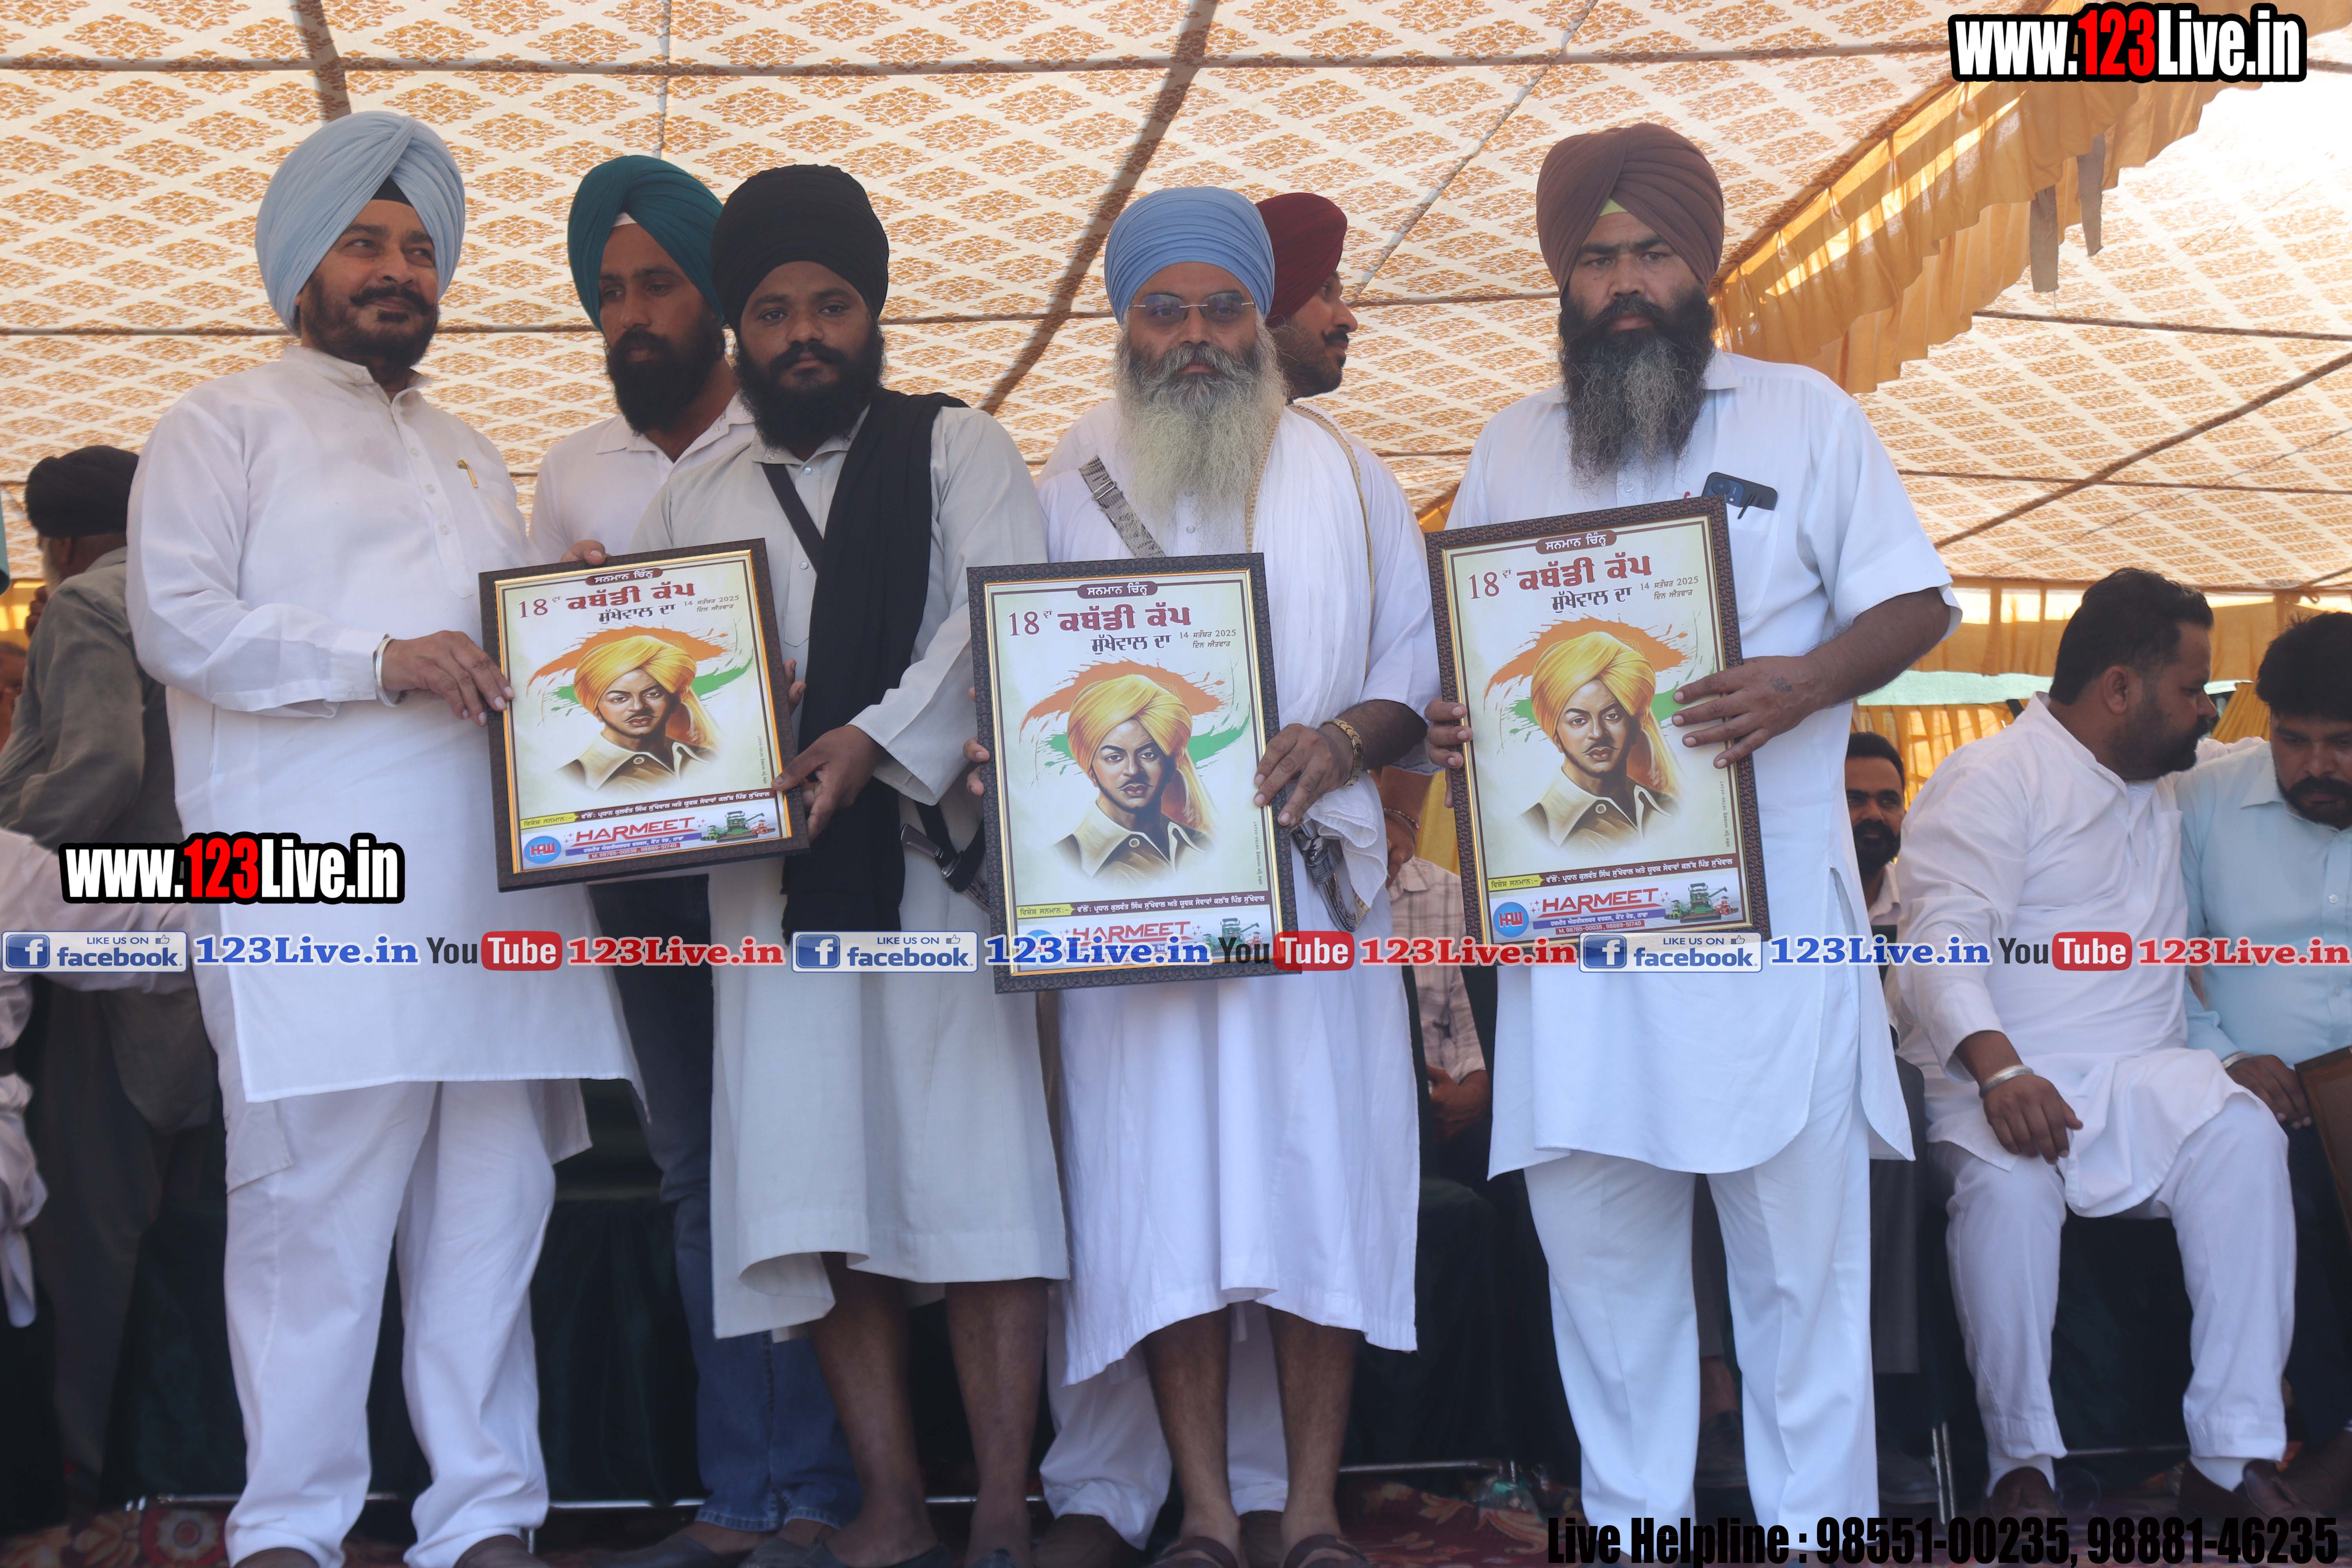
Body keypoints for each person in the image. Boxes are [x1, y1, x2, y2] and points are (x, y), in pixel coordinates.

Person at [1423, 122, 1958, 1528]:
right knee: (1604, 1285)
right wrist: (1457, 719)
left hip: (1764, 938)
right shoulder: (1511, 444)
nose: (1623, 283)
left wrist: (1808, 680)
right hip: (1580, 945)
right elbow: (1472, 653)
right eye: (1595, 258)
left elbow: (1914, 600)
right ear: (1562, 278)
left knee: (1799, 1286)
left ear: (1700, 267)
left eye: (1651, 252)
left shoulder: (1802, 416)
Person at [126, 111, 636, 1568]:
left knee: (490, 1212)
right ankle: (289, 1523)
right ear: (302, 265)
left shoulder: (472, 453)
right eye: (365, 243)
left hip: (491, 899)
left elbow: (508, 665)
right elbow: (178, 622)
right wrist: (375, 658)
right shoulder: (220, 422)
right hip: (317, 896)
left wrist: (573, 605)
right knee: (312, 1221)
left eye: (417, 248)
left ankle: (485, 1515)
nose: (397, 270)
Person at [977, 183, 1436, 1568]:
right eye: (1164, 311)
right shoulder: (1068, 476)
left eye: (1222, 308)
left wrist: (1341, 738)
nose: (1194, 337)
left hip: (1307, 900)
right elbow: (1021, 675)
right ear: (1124, 327)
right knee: (1157, 1194)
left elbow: (1417, 668)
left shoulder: (1350, 475)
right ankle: (1209, 1515)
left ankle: (1310, 1511)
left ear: (1259, 319)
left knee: (1316, 1187)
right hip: (1138, 912)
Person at [629, 163, 1063, 1568]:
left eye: (830, 305)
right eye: (772, 312)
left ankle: (999, 1505)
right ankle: (888, 1498)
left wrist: (869, 739)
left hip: (931, 871)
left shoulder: (958, 448)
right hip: (773, 893)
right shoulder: (693, 494)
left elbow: (997, 617)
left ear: (871, 312)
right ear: (737, 329)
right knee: (823, 1190)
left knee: (979, 1184)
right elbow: (657, 671)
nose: (803, 333)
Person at [532, 155, 856, 1568]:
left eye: (658, 282)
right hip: (639, 865)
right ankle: (741, 1490)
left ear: (714, 296)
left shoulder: (807, 431)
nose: (633, 315)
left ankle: (827, 1486)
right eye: (609, 292)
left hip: (788, 858)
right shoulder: (569, 471)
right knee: (690, 1169)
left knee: (808, 1147)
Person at [1895, 568, 2299, 1520]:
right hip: (1994, 1078)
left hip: (2139, 1077)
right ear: (2121, 688)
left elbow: (2276, 754)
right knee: (2011, 1189)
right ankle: (2021, 1465)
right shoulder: (1992, 778)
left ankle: (2230, 1457)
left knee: (2243, 1134)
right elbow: (1941, 941)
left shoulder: (2168, 777)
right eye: (2192, 689)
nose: (2207, 711)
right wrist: (2001, 1068)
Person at [0, 445, 214, 1495]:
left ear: (64, 542)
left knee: (92, 1241)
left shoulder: (90, 602)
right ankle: (200, 1474)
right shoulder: (214, 600)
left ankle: (76, 1479)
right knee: (217, 1241)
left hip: (109, 948)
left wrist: (13, 855)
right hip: (232, 936)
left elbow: (101, 765)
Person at [2177, 611, 2352, 1508]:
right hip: (2252, 1095)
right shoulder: (2203, 802)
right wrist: (2226, 1056)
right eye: (2294, 739)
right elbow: (2155, 962)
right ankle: (2331, 1438)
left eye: (2343, 743)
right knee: (2279, 1172)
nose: (2316, 764)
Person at [1521, 630, 1678, 850]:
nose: (1597, 733)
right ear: (1556, 737)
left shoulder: (1668, 809)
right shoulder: (1533, 831)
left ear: (1635, 726)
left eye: (1612, 716)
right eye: (1578, 721)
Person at [1056, 671, 1213, 884]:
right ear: (1091, 772)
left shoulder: (1202, 847)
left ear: (1171, 764)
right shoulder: (1063, 862)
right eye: (1114, 758)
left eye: (1148, 755)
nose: (1133, 770)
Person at [563, 632, 719, 793]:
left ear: (674, 701)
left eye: (653, 694)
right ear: (597, 711)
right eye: (620, 699)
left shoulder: (706, 758)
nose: (638, 707)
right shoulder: (573, 780)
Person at [1847, 730, 1907, 930]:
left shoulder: (1923, 903)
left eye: (1888, 801)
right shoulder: (1786, 902)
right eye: (1855, 800)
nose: (1874, 814)